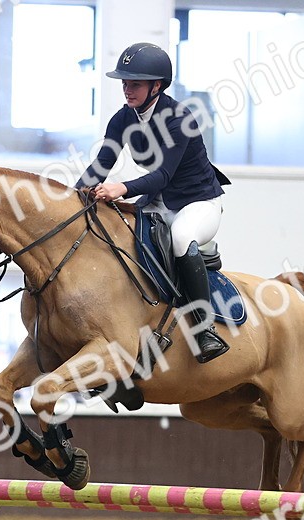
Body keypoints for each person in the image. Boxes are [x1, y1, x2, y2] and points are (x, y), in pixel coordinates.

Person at [77, 42, 231, 364]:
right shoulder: (123, 119)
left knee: (181, 237)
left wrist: (121, 188)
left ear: (156, 86)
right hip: (159, 202)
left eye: (134, 84)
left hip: (198, 202)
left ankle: (205, 330)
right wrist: (73, 196)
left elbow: (162, 175)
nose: (127, 90)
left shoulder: (179, 119)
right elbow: (103, 163)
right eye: (124, 83)